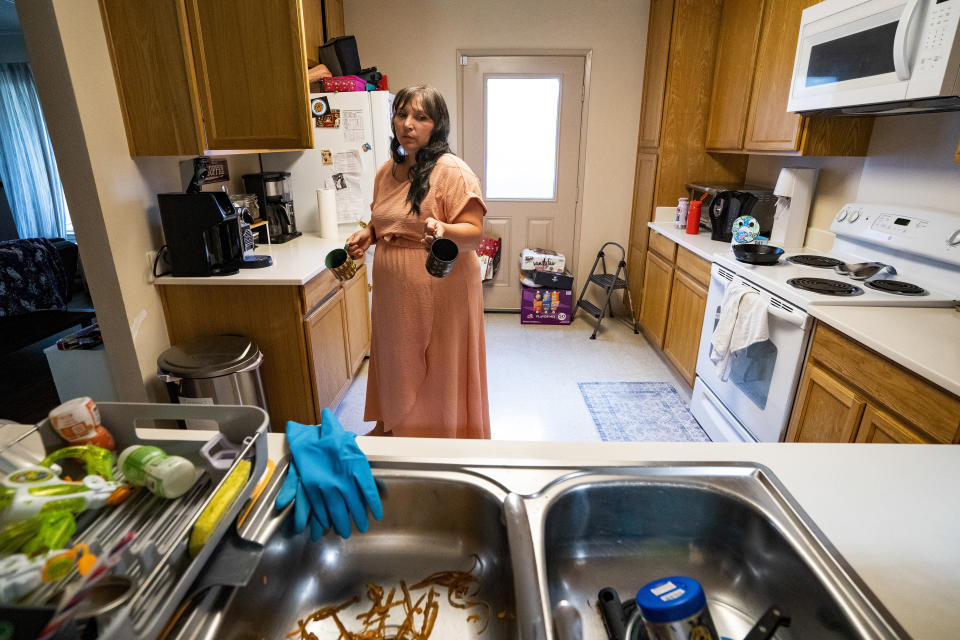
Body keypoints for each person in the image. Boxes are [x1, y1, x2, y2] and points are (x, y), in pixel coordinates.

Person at [346, 85, 489, 438]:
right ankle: (393, 426)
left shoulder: (453, 172)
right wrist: (369, 235)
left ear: (437, 125)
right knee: (397, 359)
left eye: (420, 117)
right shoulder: (385, 171)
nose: (407, 124)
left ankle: (437, 438)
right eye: (401, 115)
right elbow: (386, 219)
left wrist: (443, 229)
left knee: (438, 365)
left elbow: (474, 234)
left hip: (442, 289)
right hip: (393, 295)